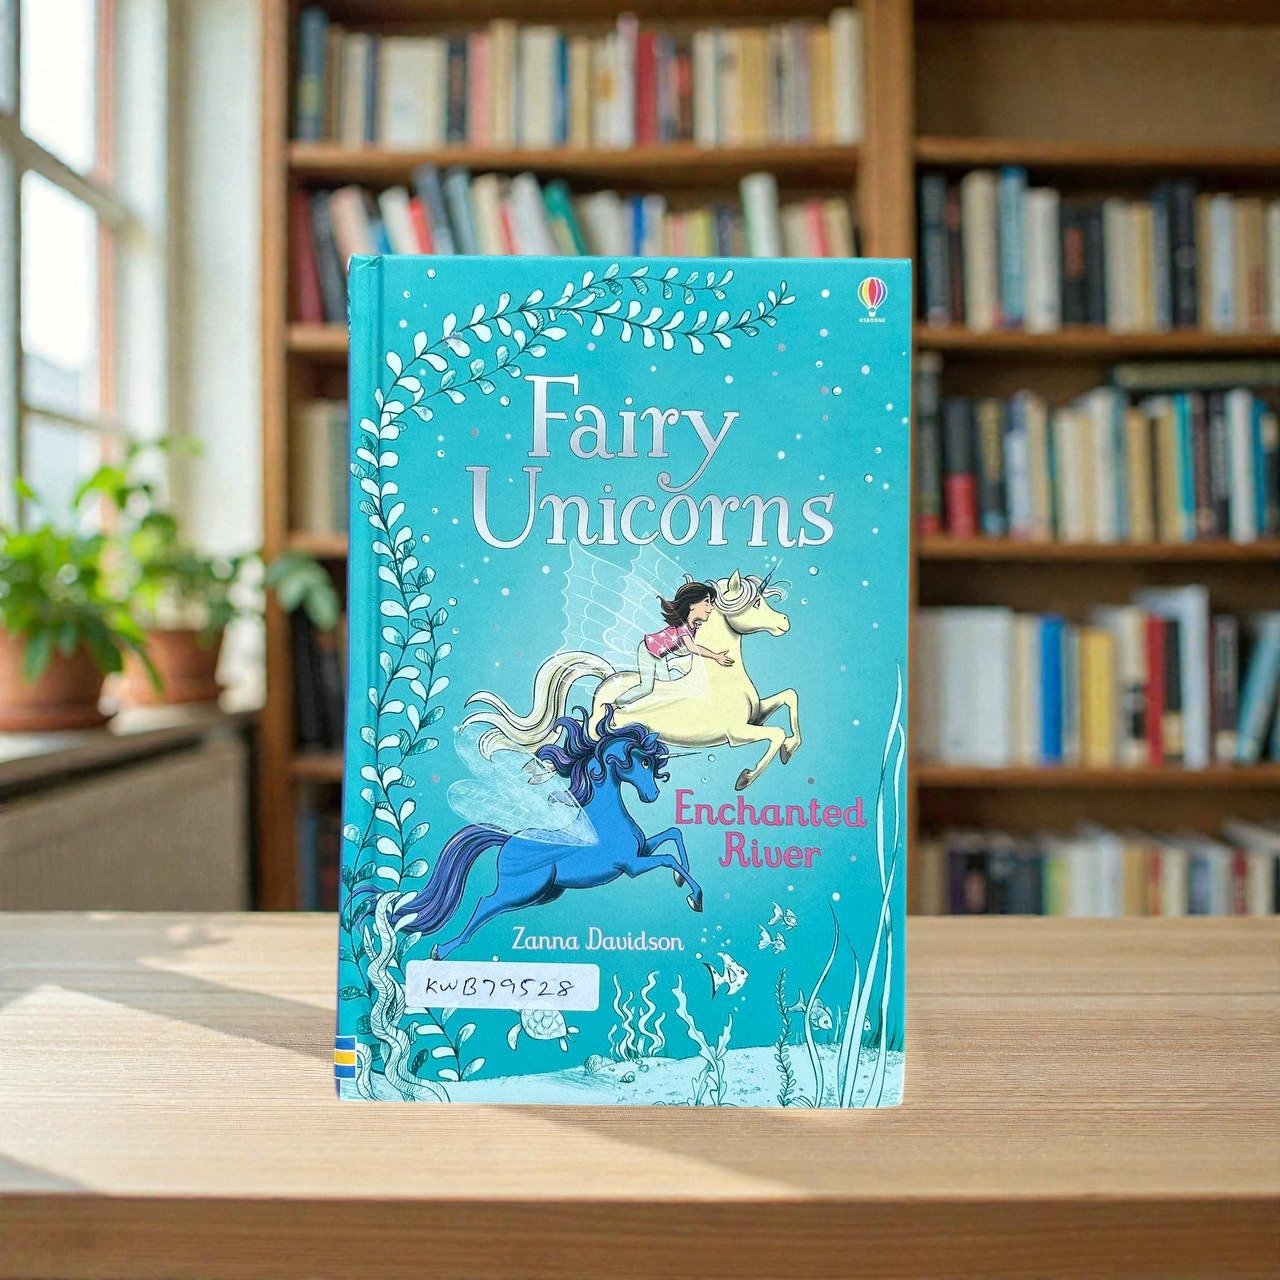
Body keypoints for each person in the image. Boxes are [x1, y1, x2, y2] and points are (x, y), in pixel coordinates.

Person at [615, 580, 734, 708]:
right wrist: (716, 656)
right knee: (646, 687)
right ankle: (614, 705)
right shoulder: (683, 626)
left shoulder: (693, 626)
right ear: (692, 605)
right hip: (648, 651)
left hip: (660, 656)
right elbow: (692, 648)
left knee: (667, 687)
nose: (711, 607)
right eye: (707, 602)